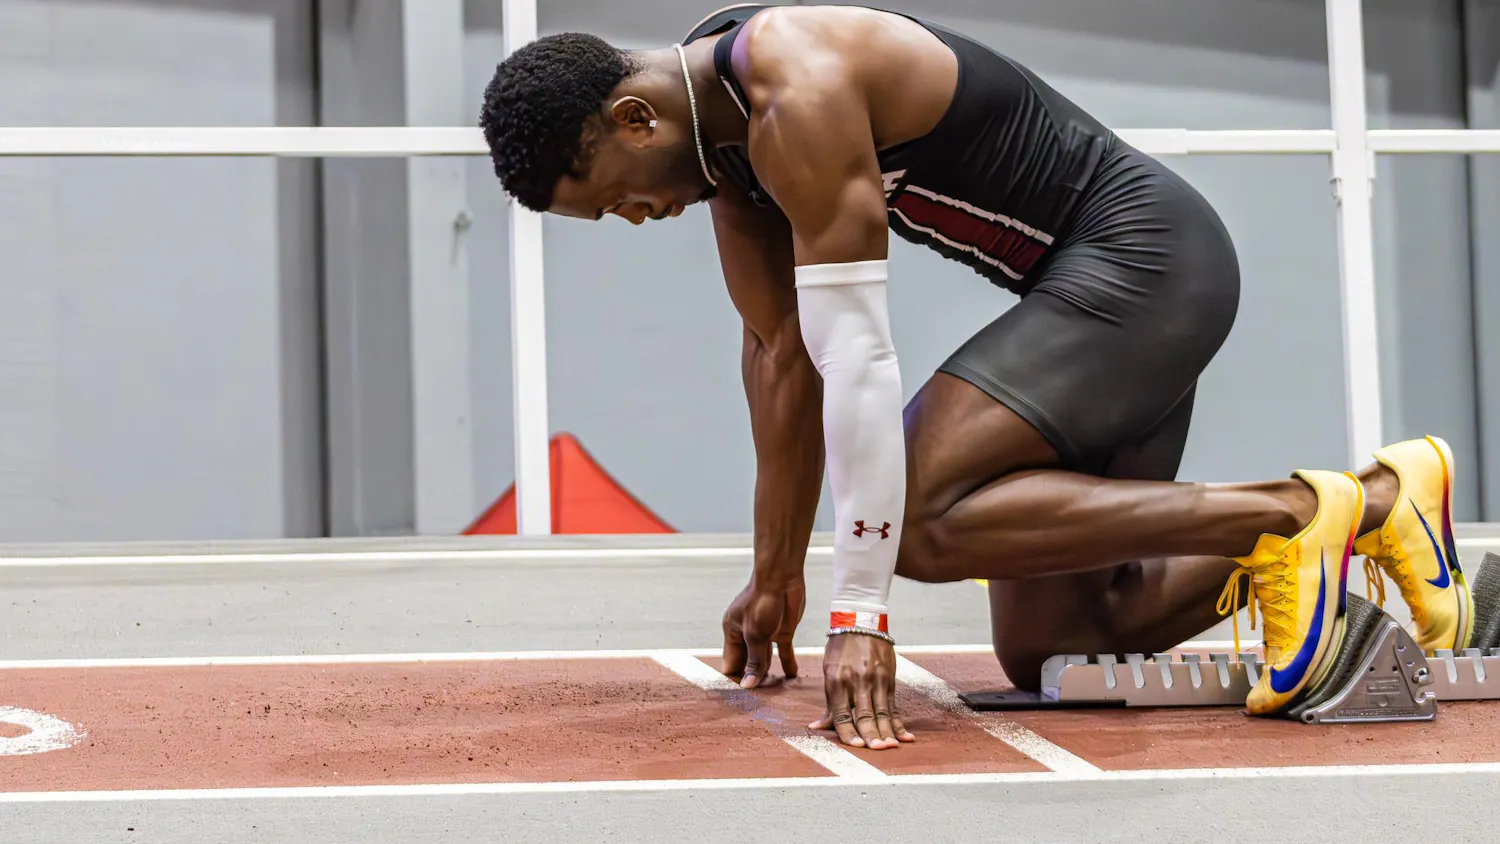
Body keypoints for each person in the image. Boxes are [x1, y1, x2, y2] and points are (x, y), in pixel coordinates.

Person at [479, 4, 1475, 749]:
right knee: (1064, 645)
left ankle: (1298, 515)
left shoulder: (794, 87)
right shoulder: (722, 142)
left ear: (633, 117)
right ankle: (1386, 502)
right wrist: (776, 569)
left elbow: (857, 357)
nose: (638, 221)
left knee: (913, 519)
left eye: (616, 203)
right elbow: (780, 354)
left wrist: (858, 612)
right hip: (1088, 288)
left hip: (1149, 262)